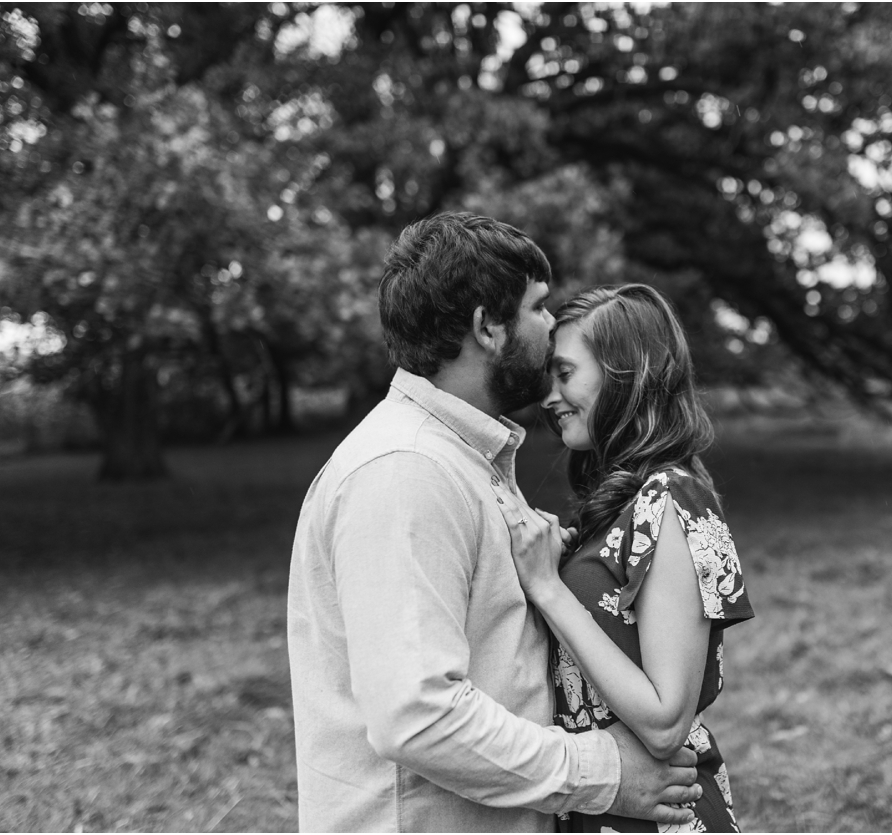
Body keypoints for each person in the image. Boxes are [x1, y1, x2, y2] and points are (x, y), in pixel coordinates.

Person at [287, 213, 703, 831]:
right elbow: (419, 716)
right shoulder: (406, 472)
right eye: (538, 308)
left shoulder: (460, 460)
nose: (550, 324)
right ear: (487, 325)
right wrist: (603, 774)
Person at [510, 283, 755, 832]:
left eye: (565, 373)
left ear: (626, 373)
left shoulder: (671, 499)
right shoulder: (624, 503)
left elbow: (666, 721)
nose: (549, 396)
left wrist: (548, 586)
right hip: (607, 804)